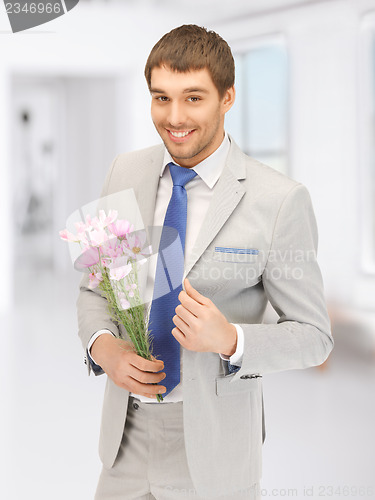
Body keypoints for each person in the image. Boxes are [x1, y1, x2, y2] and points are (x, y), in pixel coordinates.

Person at [77, 24, 333, 500]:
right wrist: (103, 347)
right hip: (123, 443)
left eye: (193, 98)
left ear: (227, 97)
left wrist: (232, 339)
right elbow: (96, 286)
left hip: (215, 454)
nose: (174, 117)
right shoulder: (124, 171)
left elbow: (315, 337)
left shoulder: (279, 200)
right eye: (161, 97)